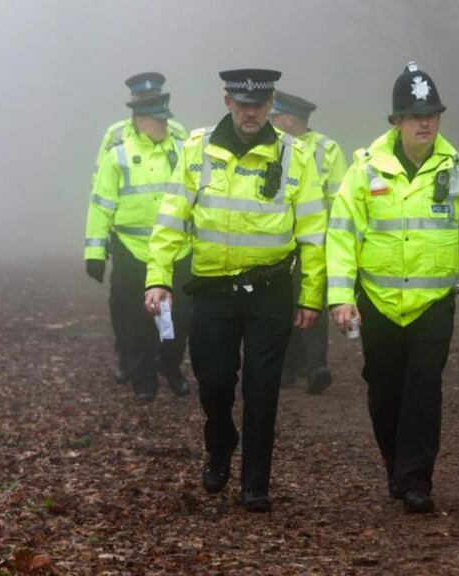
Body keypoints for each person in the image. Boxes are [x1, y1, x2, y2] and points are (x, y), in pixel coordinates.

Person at [326, 62, 459, 514]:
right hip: (380, 303)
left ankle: (416, 480)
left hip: (433, 304)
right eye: (413, 115)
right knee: (385, 388)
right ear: (396, 122)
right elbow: (343, 234)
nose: (424, 122)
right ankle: (397, 466)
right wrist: (341, 296)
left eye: (431, 114)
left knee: (423, 389)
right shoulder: (365, 170)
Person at [144, 69, 327, 512]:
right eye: (243, 104)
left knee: (263, 388)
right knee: (216, 382)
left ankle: (255, 482)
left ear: (271, 108)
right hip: (212, 290)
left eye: (259, 106)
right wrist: (158, 276)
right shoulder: (196, 149)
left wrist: (311, 295)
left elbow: (314, 232)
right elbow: (171, 218)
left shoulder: (295, 156)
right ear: (227, 101)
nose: (251, 113)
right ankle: (221, 443)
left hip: (270, 291)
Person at [84, 72, 192, 403]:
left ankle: (171, 366)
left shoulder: (182, 147)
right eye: (157, 119)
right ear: (140, 118)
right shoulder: (117, 149)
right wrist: (95, 250)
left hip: (176, 248)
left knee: (181, 315)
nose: (164, 125)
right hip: (132, 248)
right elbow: (101, 202)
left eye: (165, 118)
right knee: (135, 318)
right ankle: (142, 376)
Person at [269, 91, 347, 395]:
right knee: (280, 302)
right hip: (279, 239)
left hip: (315, 239)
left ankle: (316, 366)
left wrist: (334, 241)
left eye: (274, 117)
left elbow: (339, 201)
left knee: (311, 298)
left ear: (288, 120)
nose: (270, 122)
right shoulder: (272, 146)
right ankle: (287, 366)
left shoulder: (327, 150)